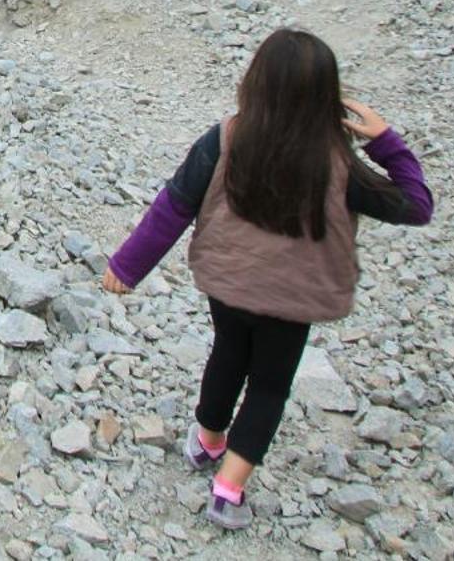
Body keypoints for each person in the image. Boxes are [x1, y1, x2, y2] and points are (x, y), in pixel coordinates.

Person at [101, 28, 433, 530]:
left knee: (228, 353)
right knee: (270, 386)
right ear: (328, 98)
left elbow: (174, 205)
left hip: (228, 283)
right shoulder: (339, 161)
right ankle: (227, 490)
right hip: (294, 299)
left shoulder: (226, 137)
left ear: (254, 83)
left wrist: (126, 267)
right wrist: (385, 142)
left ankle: (208, 442)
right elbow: (416, 206)